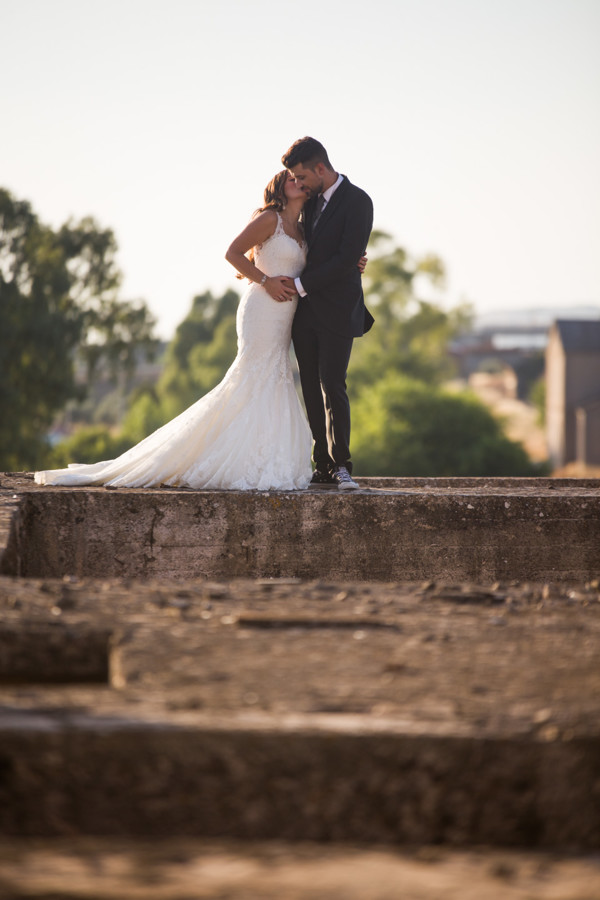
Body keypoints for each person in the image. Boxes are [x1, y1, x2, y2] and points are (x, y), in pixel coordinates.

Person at [35, 172, 314, 491]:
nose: (298, 181)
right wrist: (266, 281)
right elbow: (232, 253)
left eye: (301, 179)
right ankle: (210, 456)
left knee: (275, 377)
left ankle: (264, 457)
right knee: (253, 376)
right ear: (280, 187)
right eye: (291, 178)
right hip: (262, 308)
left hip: (286, 315)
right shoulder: (270, 219)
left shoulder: (305, 230)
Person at [281, 137, 374, 491]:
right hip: (303, 314)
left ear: (320, 168)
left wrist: (301, 285)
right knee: (309, 387)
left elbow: (346, 258)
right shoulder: (307, 201)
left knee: (333, 385)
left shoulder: (358, 201)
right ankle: (320, 465)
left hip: (337, 309)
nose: (299, 183)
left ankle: (342, 464)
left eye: (302, 176)